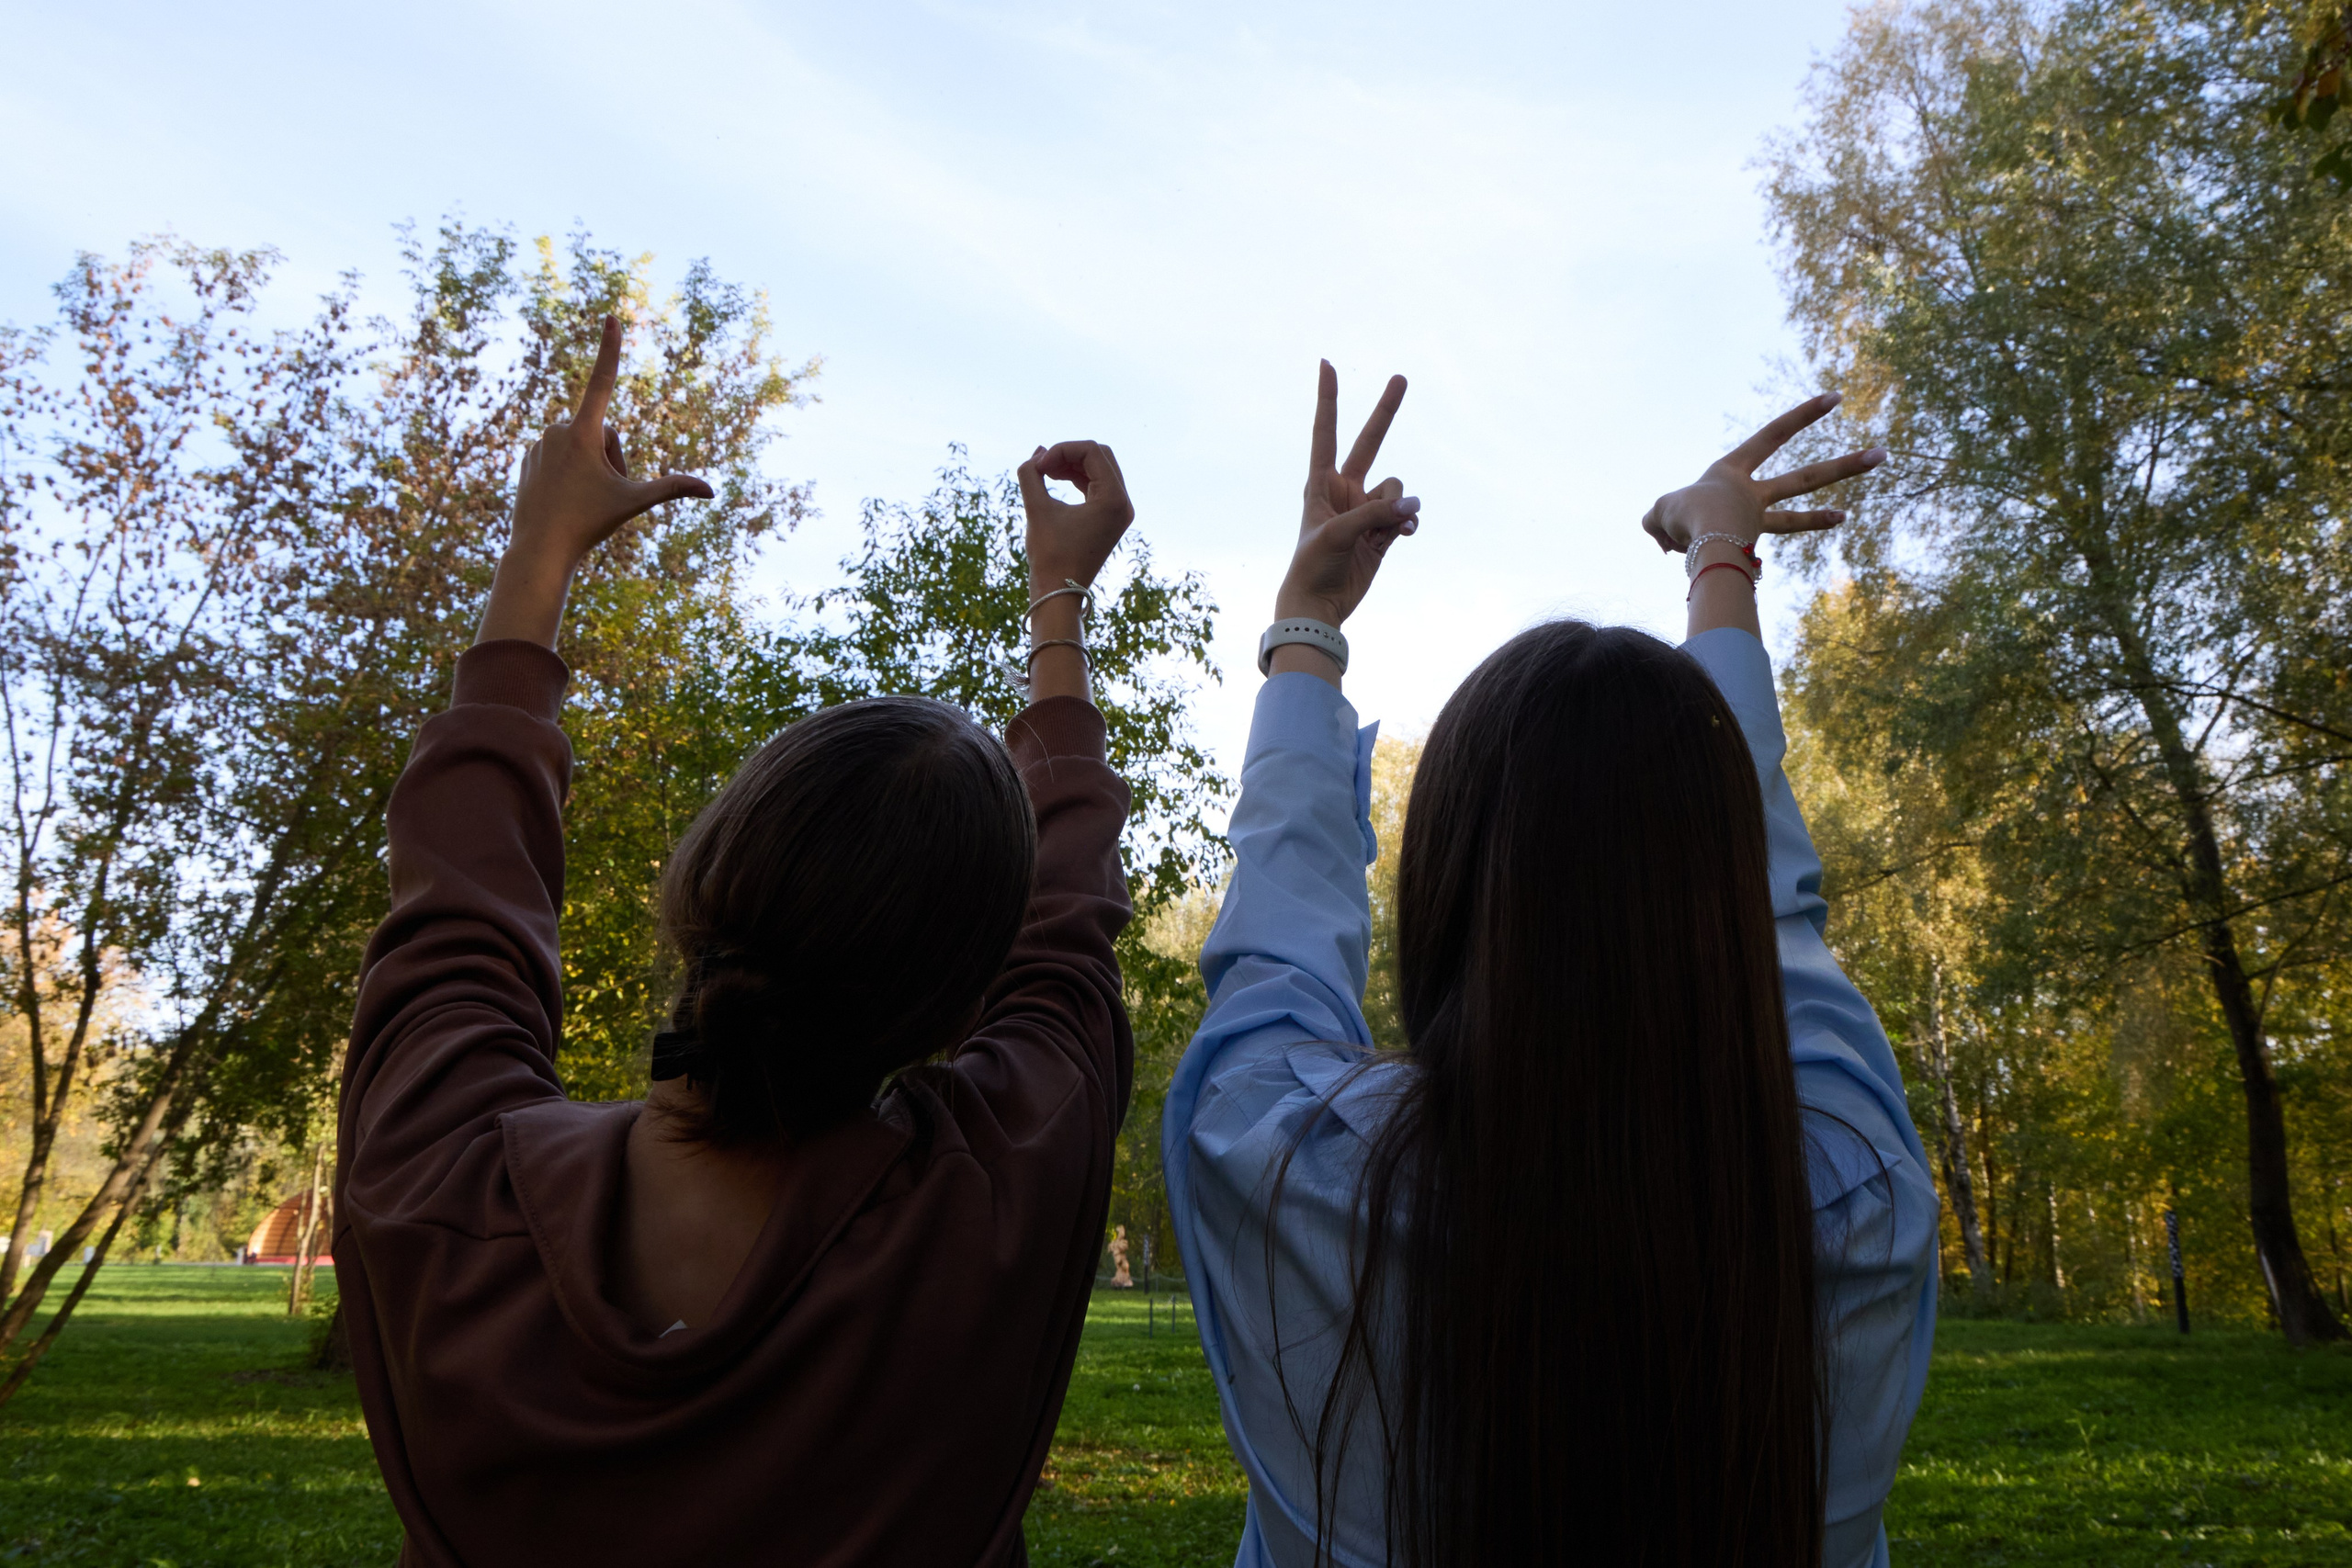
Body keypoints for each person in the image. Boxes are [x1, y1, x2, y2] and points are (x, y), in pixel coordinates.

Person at [334, 317, 1139, 1566]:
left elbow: (457, 909)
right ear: (953, 1004)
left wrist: (539, 550)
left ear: (699, 881)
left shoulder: (443, 1187)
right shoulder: (989, 1209)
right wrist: (1059, 602)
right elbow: (1068, 930)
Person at [1162, 370, 1939, 1566]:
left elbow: (1277, 934)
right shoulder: (1857, 1207)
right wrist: (1719, 559)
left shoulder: (1279, 1167)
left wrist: (1307, 625)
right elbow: (1776, 913)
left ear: (1445, 893)